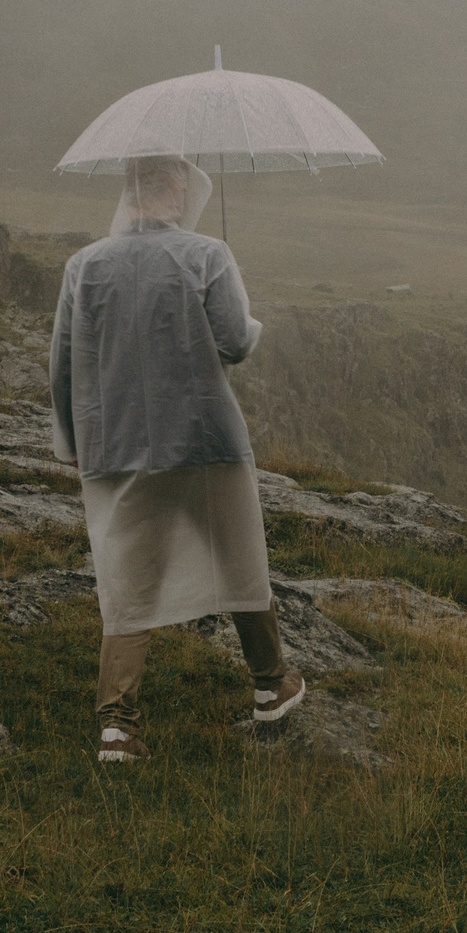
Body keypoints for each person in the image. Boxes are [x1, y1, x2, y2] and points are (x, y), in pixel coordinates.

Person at [49, 151, 304, 763]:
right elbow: (236, 343)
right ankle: (271, 687)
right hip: (203, 438)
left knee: (127, 580)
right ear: (172, 186)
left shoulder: (83, 266)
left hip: (117, 446)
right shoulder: (206, 254)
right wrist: (246, 316)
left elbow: (62, 364)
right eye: (185, 185)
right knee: (240, 556)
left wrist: (73, 445)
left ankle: (117, 727)